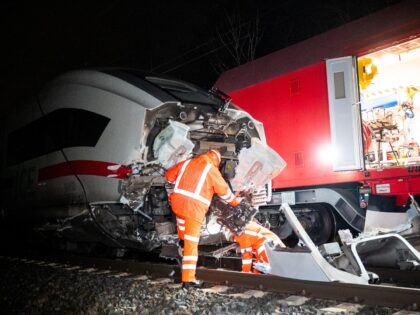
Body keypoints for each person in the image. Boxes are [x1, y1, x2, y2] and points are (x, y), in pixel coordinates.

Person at [165, 149, 241, 289]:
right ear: (216, 161)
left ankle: (180, 245)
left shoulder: (187, 162)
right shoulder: (211, 170)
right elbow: (224, 192)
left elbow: (169, 176)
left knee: (183, 229)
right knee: (191, 244)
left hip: (177, 205)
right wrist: (237, 203)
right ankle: (188, 280)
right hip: (193, 210)